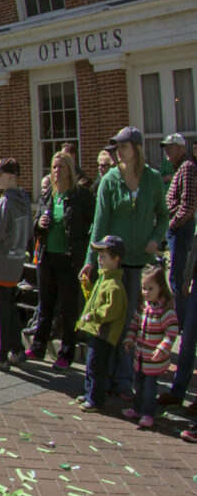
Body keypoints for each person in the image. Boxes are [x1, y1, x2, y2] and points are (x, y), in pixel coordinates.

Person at [83, 127, 168, 400]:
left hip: (140, 264)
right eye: (117, 147)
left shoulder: (153, 180)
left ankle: (124, 378)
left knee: (132, 322)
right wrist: (90, 261)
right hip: (113, 265)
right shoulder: (110, 179)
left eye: (123, 147)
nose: (119, 152)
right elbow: (100, 224)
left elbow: (164, 217)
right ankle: (105, 379)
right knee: (111, 321)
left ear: (137, 149)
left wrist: (156, 238)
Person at [27, 151, 92, 369]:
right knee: (45, 304)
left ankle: (66, 353)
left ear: (70, 170)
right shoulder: (48, 196)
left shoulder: (80, 196)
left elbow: (92, 224)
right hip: (47, 257)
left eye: (60, 167)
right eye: (53, 167)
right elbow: (35, 226)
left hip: (69, 259)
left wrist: (86, 252)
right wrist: (40, 225)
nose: (56, 171)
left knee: (69, 309)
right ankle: (38, 347)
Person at [0, 159, 32, 370]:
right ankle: (17, 349)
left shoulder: (4, 202)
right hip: (16, 261)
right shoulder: (24, 201)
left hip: (0, 263)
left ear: (10, 177)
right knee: (10, 309)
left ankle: (0, 356)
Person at [122, 264, 178, 428]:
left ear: (161, 288)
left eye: (150, 288)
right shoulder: (143, 307)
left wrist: (162, 349)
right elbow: (134, 325)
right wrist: (129, 339)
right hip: (140, 356)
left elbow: (171, 333)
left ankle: (148, 413)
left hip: (154, 360)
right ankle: (137, 408)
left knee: (149, 389)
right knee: (138, 385)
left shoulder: (165, 311)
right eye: (144, 288)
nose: (146, 292)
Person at [78, 236, 129, 413]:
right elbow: (93, 300)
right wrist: (87, 287)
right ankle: (89, 393)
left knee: (96, 366)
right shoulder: (102, 279)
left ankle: (96, 399)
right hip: (96, 331)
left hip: (104, 334)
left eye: (104, 256)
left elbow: (111, 310)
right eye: (99, 255)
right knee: (91, 364)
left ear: (116, 260)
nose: (99, 259)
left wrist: (94, 315)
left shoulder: (114, 285)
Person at [165, 133, 195, 316]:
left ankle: (182, 320)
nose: (167, 150)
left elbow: (188, 205)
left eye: (171, 146)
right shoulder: (180, 168)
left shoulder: (187, 168)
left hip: (181, 230)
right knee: (175, 275)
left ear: (181, 147)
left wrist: (172, 224)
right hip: (177, 229)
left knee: (178, 276)